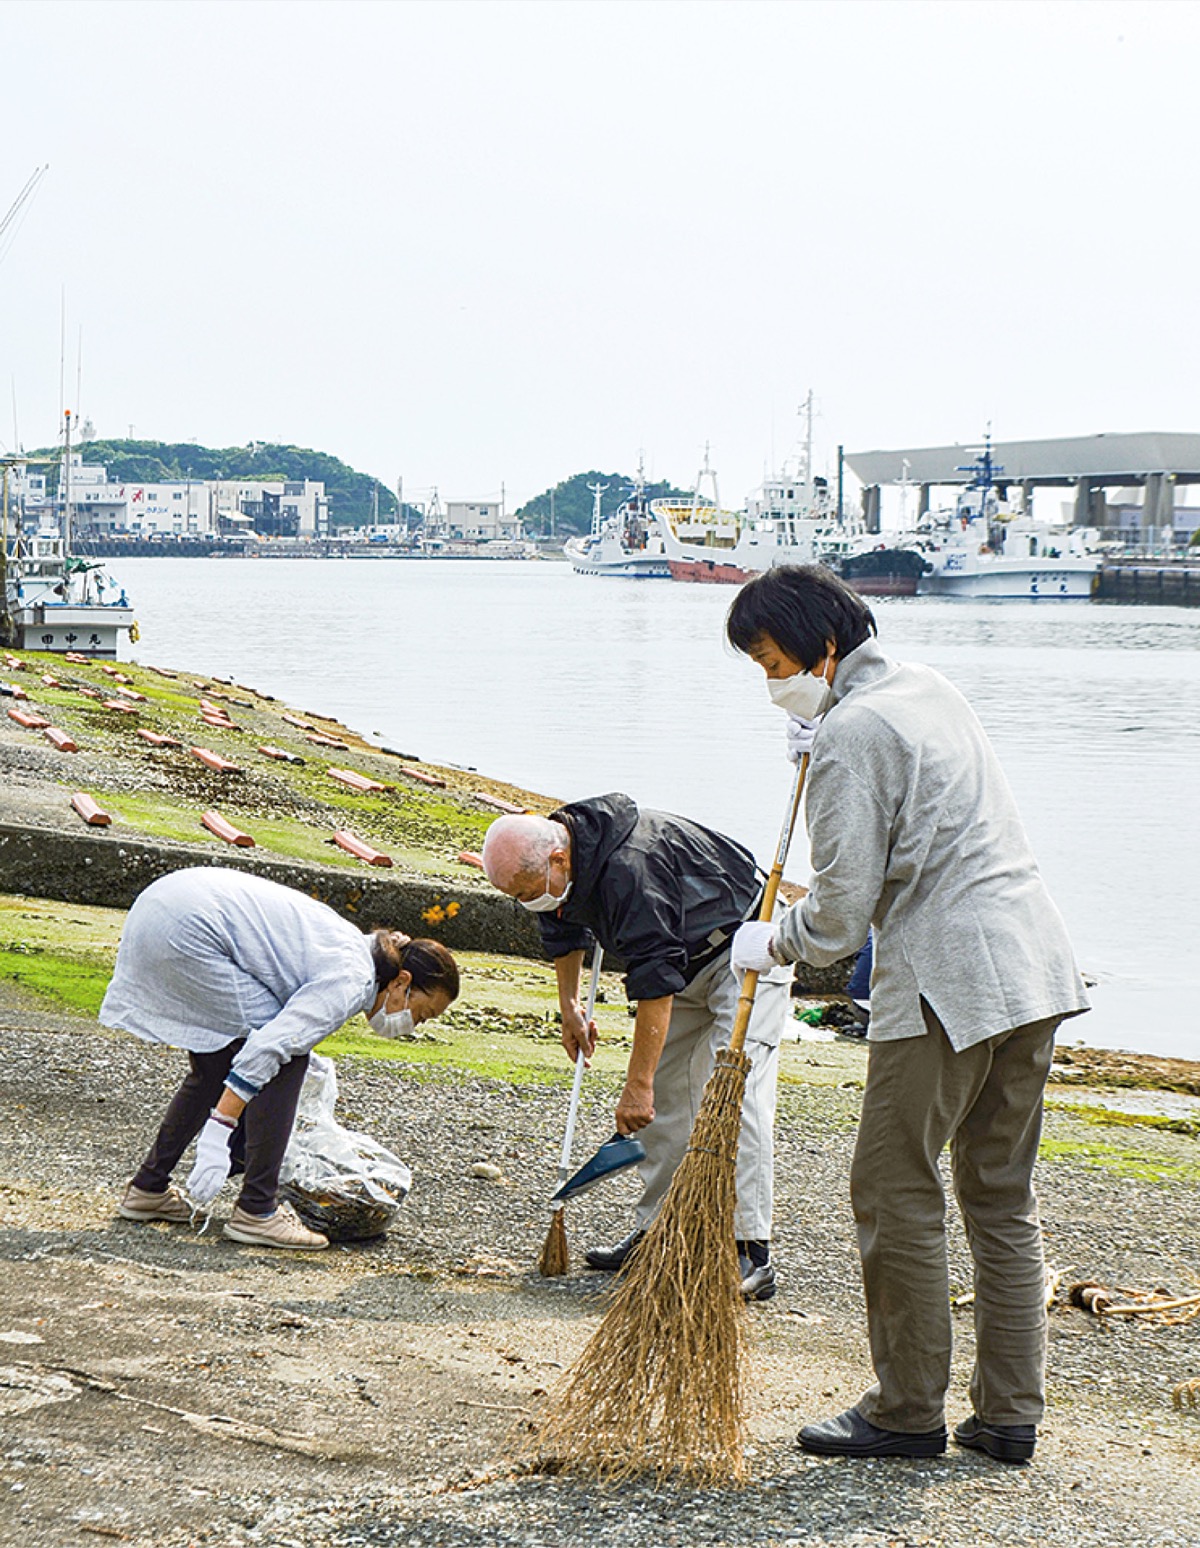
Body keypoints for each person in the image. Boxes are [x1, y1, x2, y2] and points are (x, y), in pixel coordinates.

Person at [727, 565, 1089, 1463]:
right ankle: (1009, 1414)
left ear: (823, 646)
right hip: (1034, 963)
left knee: (894, 1189)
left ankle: (906, 1410)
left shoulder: (851, 732)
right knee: (999, 1192)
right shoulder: (929, 687)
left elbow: (841, 917)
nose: (770, 683)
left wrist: (773, 941)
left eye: (772, 662)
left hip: (945, 982)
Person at [481, 794, 792, 1301]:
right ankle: (658, 1231)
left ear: (558, 859)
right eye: (515, 895)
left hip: (745, 945)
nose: (525, 901)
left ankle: (749, 1250)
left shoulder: (632, 867)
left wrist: (636, 1086)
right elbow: (560, 926)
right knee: (667, 1099)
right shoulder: (562, 857)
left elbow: (654, 977)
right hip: (682, 955)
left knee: (737, 1092)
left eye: (525, 891)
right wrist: (569, 1006)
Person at [101, 867, 459, 1250]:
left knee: (216, 1065)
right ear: (402, 981)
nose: (412, 1025)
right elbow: (272, 1046)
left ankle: (148, 1188)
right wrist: (220, 1130)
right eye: (422, 1013)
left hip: (161, 907)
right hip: (193, 930)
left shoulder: (356, 948)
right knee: (286, 1059)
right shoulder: (353, 980)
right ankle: (256, 1211)